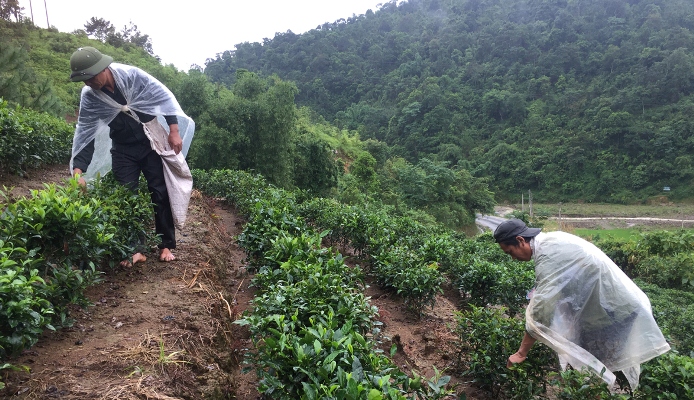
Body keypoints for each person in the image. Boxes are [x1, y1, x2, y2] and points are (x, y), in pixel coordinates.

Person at [493, 218, 670, 390]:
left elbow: (541, 311)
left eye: (510, 252)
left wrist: (521, 353)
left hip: (616, 313)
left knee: (589, 373)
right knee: (585, 369)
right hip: (611, 308)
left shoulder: (548, 254)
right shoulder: (552, 241)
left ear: (520, 240)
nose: (512, 258)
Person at [68, 47, 194, 266]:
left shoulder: (131, 77)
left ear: (103, 68)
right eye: (84, 80)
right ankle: (136, 249)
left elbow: (162, 98)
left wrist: (173, 130)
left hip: (150, 141)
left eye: (90, 77)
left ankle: (165, 245)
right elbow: (85, 132)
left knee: (160, 191)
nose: (88, 83)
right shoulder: (91, 97)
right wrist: (78, 170)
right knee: (126, 196)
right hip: (123, 148)